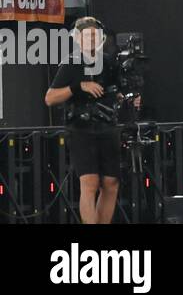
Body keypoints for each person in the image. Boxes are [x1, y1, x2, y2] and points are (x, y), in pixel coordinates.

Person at [45, 17, 136, 224]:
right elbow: (50, 98)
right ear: (78, 39)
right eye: (87, 36)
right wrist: (79, 87)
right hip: (81, 128)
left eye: (95, 35)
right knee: (90, 181)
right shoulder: (71, 63)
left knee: (111, 182)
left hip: (107, 126)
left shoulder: (109, 62)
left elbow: (118, 91)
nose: (92, 39)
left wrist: (128, 97)